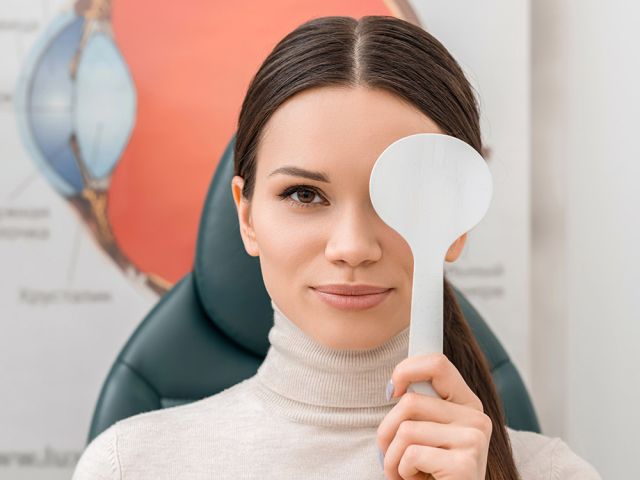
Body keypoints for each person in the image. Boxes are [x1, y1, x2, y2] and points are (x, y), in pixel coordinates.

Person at [72, 15, 602, 480]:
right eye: (304, 194)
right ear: (247, 215)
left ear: (458, 224)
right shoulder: (130, 466)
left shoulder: (552, 473)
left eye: (400, 196)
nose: (352, 247)